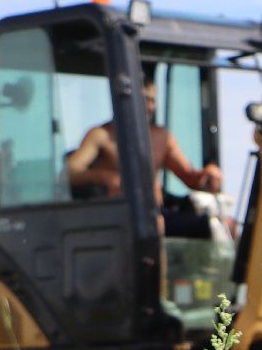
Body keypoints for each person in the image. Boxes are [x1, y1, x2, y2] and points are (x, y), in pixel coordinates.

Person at [64, 72, 225, 237]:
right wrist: (109, 178)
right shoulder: (101, 135)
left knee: (223, 226)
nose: (149, 106)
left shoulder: (162, 137)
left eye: (153, 100)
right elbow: (70, 171)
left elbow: (189, 177)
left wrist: (208, 175)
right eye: (144, 99)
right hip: (117, 218)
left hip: (154, 213)